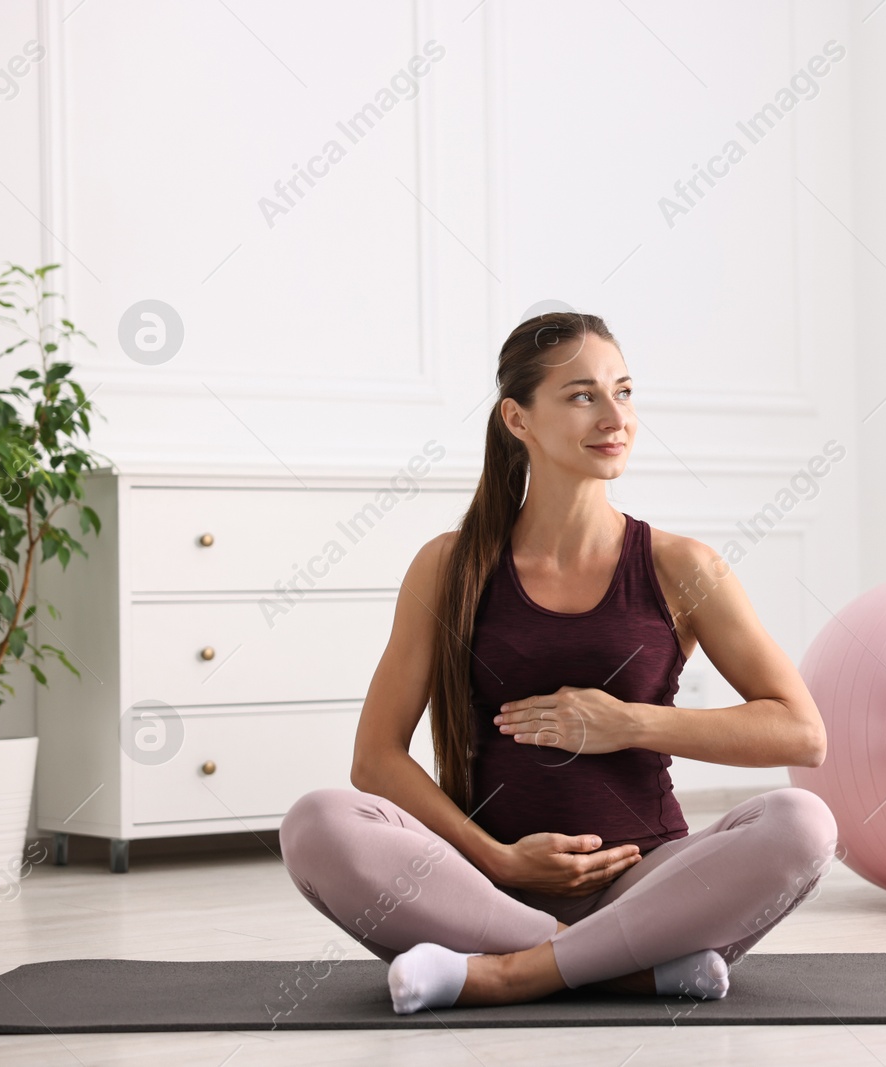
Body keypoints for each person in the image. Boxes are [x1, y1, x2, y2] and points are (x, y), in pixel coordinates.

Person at [279, 311, 838, 1012]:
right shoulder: (450, 566)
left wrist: (626, 722)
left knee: (804, 822)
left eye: (624, 392)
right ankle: (623, 965)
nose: (615, 416)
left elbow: (800, 732)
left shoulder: (682, 566)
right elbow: (375, 759)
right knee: (316, 822)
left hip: (648, 881)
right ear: (519, 419)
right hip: (481, 888)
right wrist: (498, 857)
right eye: (582, 395)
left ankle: (512, 973)